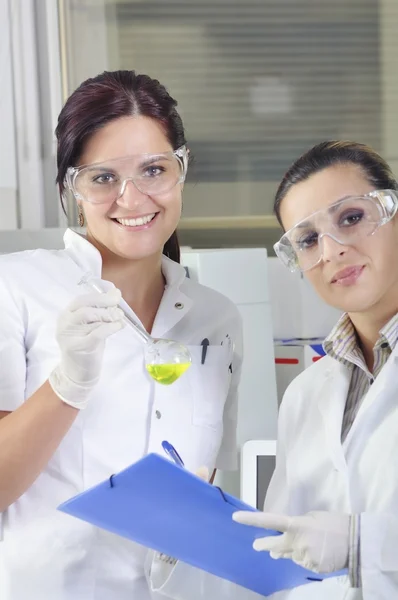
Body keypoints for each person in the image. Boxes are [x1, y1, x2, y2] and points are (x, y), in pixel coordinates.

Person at [0, 70, 243, 600]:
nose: (132, 199)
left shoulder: (218, 319)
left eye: (154, 170)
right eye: (103, 178)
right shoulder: (14, 288)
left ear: (181, 171)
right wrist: (68, 383)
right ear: (72, 188)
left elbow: (216, 484)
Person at [149, 141, 398, 600]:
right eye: (307, 239)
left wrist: (366, 544)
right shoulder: (306, 395)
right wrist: (190, 530)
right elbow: (276, 566)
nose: (332, 250)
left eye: (351, 217)